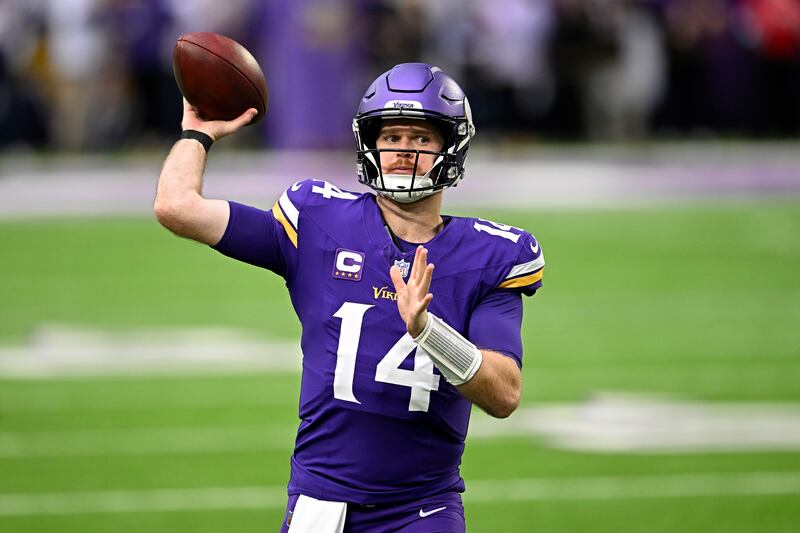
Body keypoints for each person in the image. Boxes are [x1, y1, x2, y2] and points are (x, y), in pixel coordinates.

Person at [154, 63, 545, 533]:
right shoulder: (318, 221)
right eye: (393, 137)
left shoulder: (490, 255)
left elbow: (504, 394)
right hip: (319, 504)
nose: (404, 152)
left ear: (450, 146)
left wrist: (428, 332)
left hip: (423, 509)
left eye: (421, 139)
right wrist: (197, 134)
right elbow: (176, 207)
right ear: (370, 143)